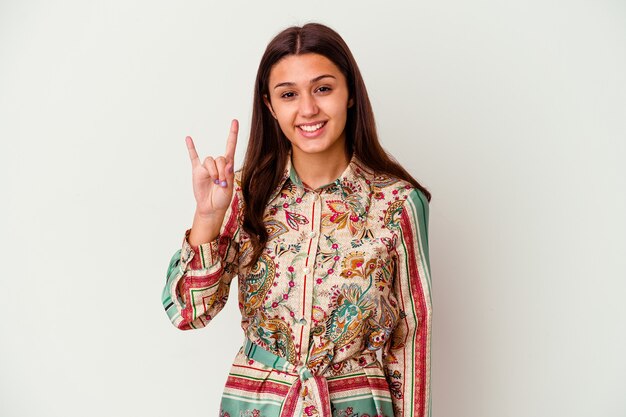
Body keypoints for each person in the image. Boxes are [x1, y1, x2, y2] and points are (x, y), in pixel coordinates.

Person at [162, 22, 432, 417]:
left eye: (323, 88)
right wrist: (208, 216)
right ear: (270, 106)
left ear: (351, 94)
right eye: (289, 94)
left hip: (357, 404)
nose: (308, 109)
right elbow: (187, 313)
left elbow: (411, 338)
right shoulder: (242, 194)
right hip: (259, 403)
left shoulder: (397, 202)